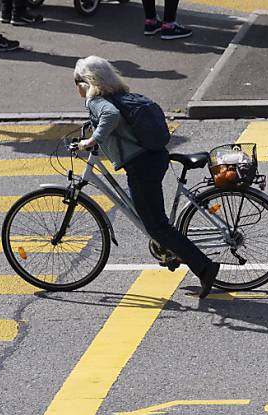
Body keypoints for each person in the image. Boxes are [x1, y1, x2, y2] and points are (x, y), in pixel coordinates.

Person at [73, 56, 219, 297]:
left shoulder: (97, 101)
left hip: (142, 166)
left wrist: (91, 140)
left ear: (86, 82)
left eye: (76, 83)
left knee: (156, 226)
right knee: (147, 213)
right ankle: (170, 249)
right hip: (153, 158)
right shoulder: (119, 95)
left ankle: (205, 267)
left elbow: (110, 117)